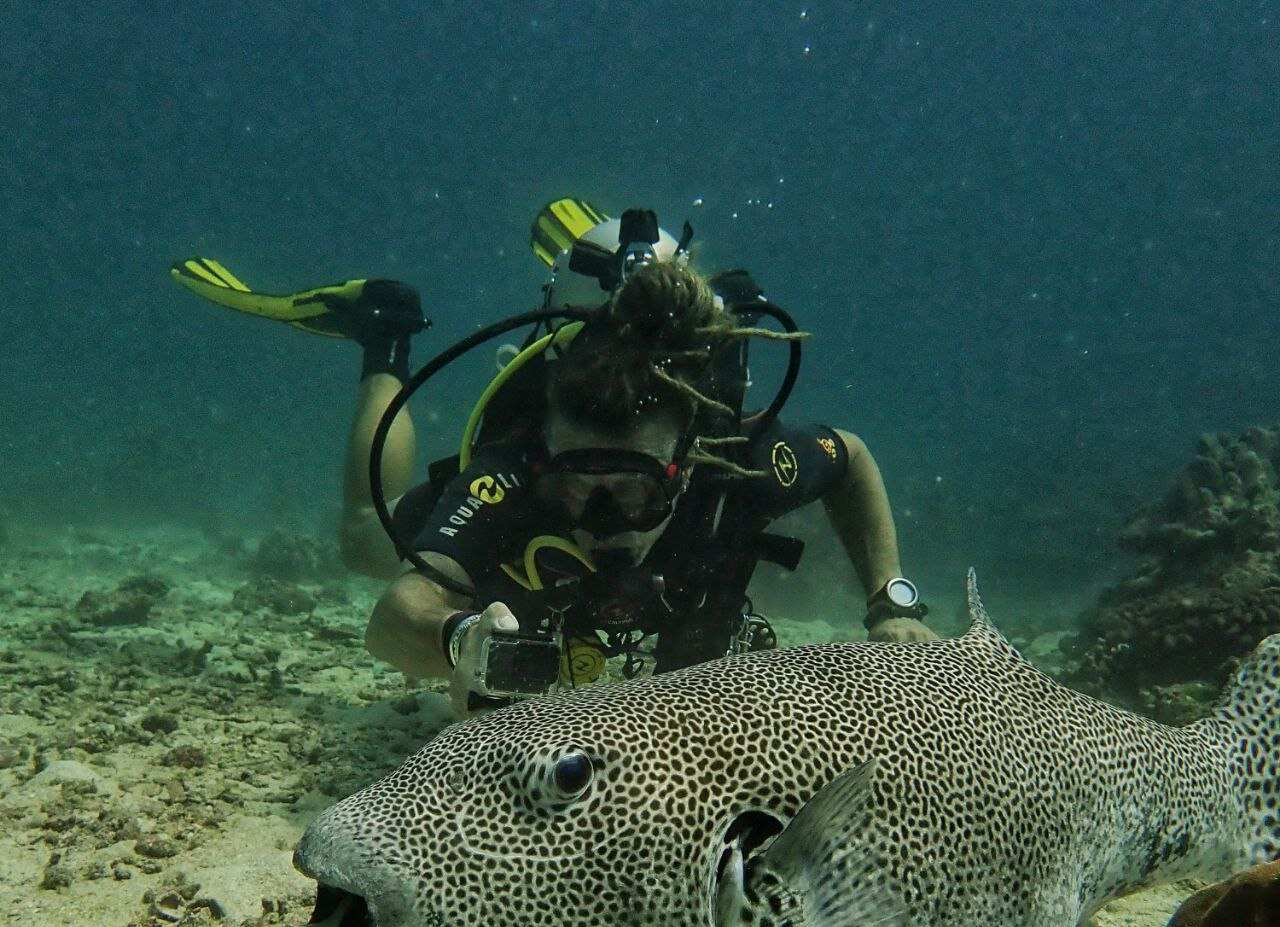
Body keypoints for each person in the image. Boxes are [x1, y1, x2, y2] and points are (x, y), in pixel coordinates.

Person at [172, 200, 937, 717]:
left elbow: (853, 457)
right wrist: (456, 640)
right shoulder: (508, 475)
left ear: (686, 459)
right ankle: (384, 338)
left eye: (633, 491)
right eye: (576, 487)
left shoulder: (735, 463)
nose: (601, 521)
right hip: (497, 551)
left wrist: (891, 605)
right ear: (545, 459)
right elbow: (392, 619)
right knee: (364, 537)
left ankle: (642, 280)